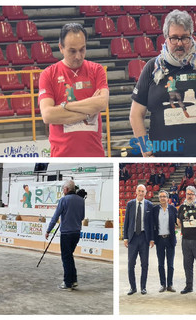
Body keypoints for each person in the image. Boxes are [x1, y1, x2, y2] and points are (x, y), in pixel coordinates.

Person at [130, 10, 196, 157]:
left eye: (184, 38)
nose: (179, 43)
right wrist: (145, 150)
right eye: (174, 38)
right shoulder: (152, 68)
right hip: (163, 155)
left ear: (191, 36)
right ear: (166, 38)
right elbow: (135, 114)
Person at [38, 23, 109, 157]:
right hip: (61, 156)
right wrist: (88, 113)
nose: (78, 56)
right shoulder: (48, 74)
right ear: (61, 48)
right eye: (72, 51)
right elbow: (48, 115)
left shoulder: (97, 70)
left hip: (94, 154)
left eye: (82, 49)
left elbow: (101, 103)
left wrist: (65, 107)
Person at [45, 180, 85, 291]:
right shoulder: (81, 200)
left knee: (66, 257)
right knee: (69, 256)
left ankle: (67, 283)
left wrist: (48, 230)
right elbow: (82, 217)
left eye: (63, 189)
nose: (63, 191)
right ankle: (74, 280)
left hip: (66, 233)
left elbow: (55, 216)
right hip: (76, 232)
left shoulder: (63, 200)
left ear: (66, 189)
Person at [123, 184, 154, 295]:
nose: (141, 193)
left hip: (144, 238)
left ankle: (143, 287)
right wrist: (125, 237)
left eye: (143, 191)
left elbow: (151, 224)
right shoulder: (130, 204)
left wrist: (152, 239)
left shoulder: (149, 205)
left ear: (146, 193)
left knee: (144, 264)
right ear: (136, 191)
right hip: (132, 238)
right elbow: (126, 222)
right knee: (131, 264)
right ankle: (133, 287)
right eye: (139, 191)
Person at [153, 190, 177, 292]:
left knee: (170, 264)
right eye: (160, 197)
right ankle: (163, 284)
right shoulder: (155, 210)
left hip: (170, 239)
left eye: (164, 196)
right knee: (161, 264)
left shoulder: (172, 209)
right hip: (159, 240)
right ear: (159, 198)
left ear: (168, 198)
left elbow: (178, 222)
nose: (162, 198)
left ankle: (170, 285)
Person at [177, 186, 196, 294]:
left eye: (191, 194)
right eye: (188, 194)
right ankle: (189, 286)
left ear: (195, 195)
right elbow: (179, 221)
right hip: (185, 241)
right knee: (187, 265)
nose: (189, 196)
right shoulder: (181, 207)